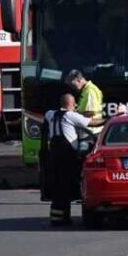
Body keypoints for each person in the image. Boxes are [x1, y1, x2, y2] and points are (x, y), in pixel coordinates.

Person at [41, 93, 109, 226]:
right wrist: (111, 118)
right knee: (67, 186)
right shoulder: (71, 116)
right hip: (68, 156)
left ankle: (57, 217)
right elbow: (93, 123)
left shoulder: (50, 114)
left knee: (57, 187)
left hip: (54, 156)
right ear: (71, 104)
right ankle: (64, 218)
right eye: (75, 104)